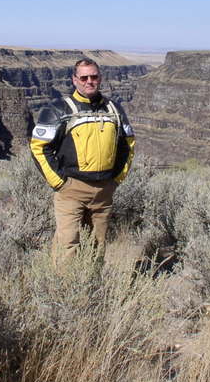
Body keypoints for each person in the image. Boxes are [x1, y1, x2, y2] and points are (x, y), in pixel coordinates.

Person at [29, 58, 135, 258]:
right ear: (74, 80)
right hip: (71, 191)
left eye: (94, 77)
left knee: (98, 246)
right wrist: (60, 183)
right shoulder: (58, 109)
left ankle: (92, 278)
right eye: (84, 77)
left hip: (104, 192)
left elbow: (128, 145)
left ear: (100, 78)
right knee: (67, 245)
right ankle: (63, 280)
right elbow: (39, 147)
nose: (89, 81)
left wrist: (116, 180)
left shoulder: (114, 109)